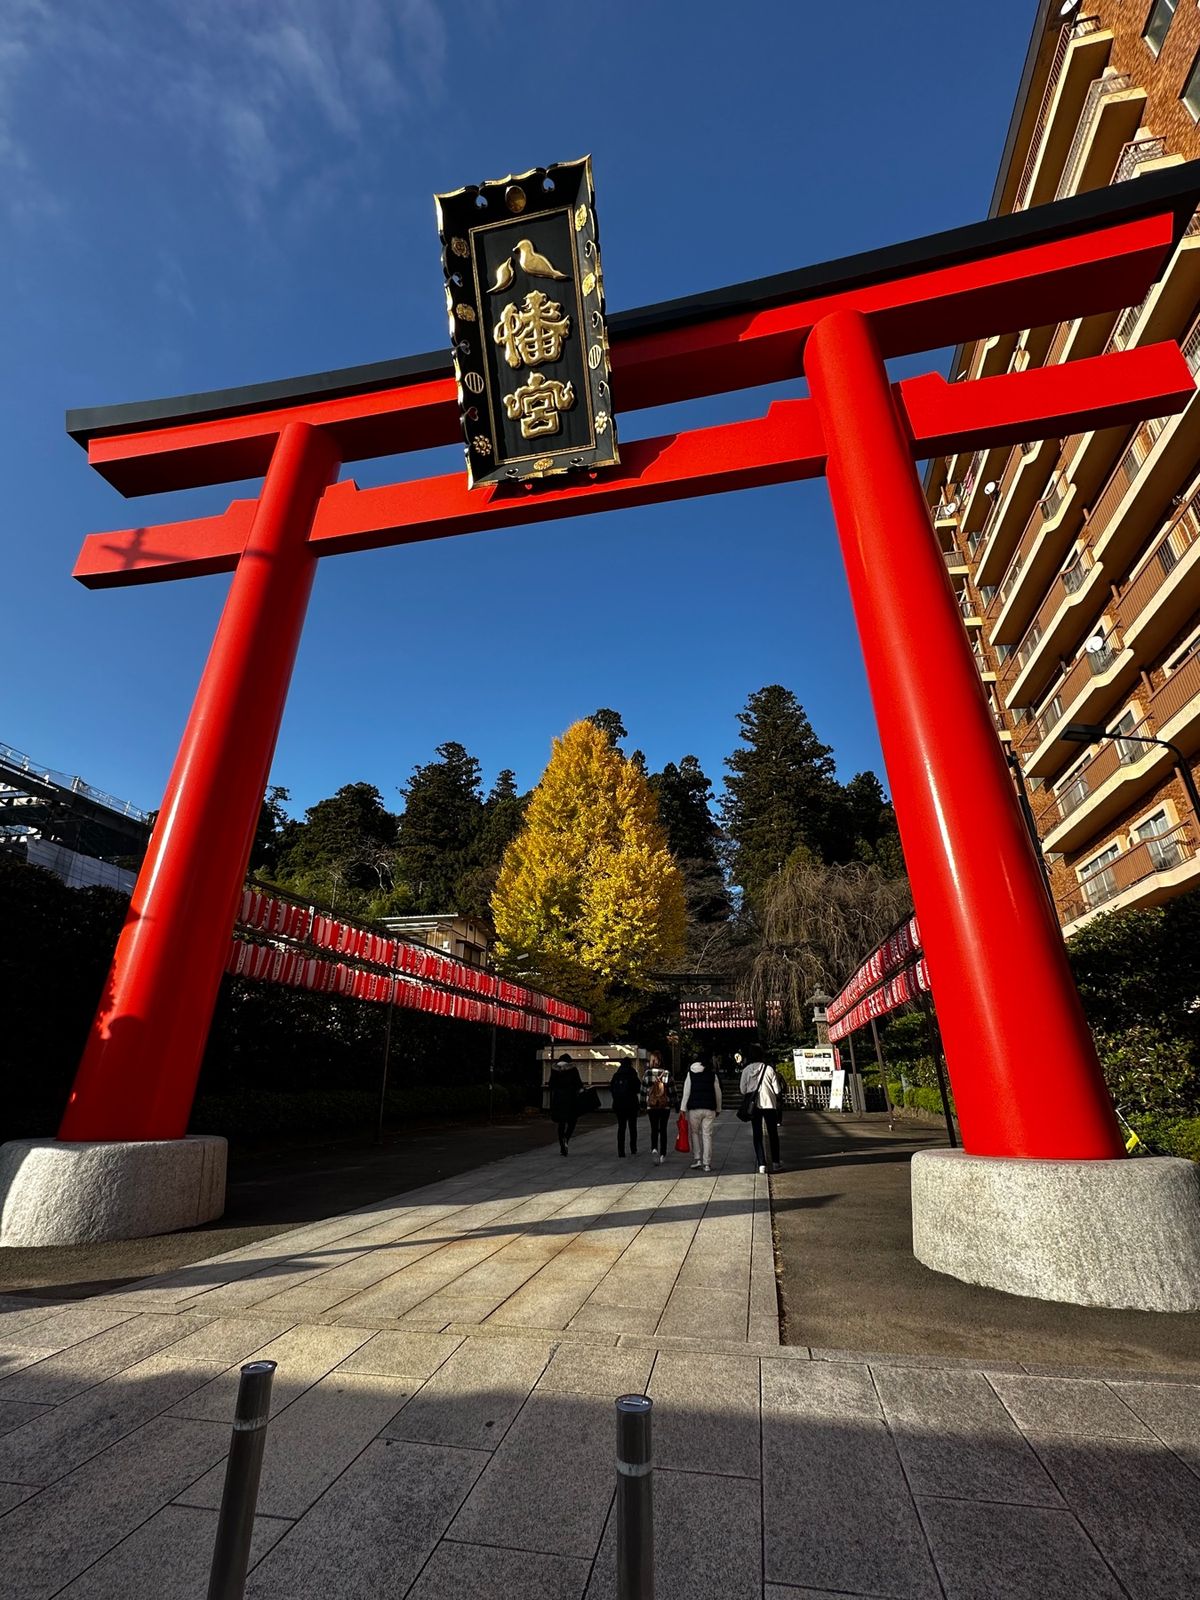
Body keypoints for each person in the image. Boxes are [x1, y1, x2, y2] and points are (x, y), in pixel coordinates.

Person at [740, 1058, 785, 1174]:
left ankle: (761, 1164)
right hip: (769, 1104)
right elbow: (777, 1089)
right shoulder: (769, 1069)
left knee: (757, 1134)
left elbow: (742, 1089)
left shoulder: (746, 1070)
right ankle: (776, 1162)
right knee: (773, 1134)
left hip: (754, 1106)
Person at [679, 1058, 721, 1172]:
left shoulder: (691, 1074)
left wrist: (682, 1108)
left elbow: (686, 1092)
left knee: (694, 1133)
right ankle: (707, 1163)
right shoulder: (712, 1075)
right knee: (707, 1135)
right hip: (709, 1108)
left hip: (694, 1108)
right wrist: (718, 1108)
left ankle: (697, 1159)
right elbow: (718, 1093)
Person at [548, 1053, 582, 1156]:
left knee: (561, 1123)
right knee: (572, 1120)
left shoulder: (554, 1070)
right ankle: (566, 1138)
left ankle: (562, 1145)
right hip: (570, 1098)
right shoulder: (573, 1069)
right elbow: (578, 1084)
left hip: (558, 1099)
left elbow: (551, 1084)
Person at [609, 1056, 642, 1157]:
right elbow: (638, 1088)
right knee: (632, 1127)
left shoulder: (616, 1075)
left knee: (621, 1127)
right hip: (631, 1104)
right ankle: (633, 1148)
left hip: (619, 1104)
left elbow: (611, 1088)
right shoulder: (632, 1074)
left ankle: (621, 1150)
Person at [644, 1051, 673, 1164]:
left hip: (651, 1106)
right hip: (664, 1106)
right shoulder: (667, 1073)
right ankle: (663, 1154)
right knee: (663, 1129)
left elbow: (643, 1090)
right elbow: (672, 1090)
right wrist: (675, 1103)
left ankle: (654, 1148)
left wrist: (642, 1104)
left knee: (654, 1128)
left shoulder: (647, 1073)